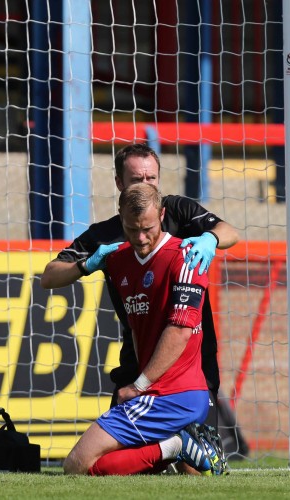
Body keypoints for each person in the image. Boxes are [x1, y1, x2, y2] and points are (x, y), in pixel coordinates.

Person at [40, 144, 239, 450]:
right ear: (119, 183)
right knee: (115, 461)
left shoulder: (177, 210)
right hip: (138, 353)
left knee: (198, 463)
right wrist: (86, 264)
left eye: (152, 178)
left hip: (191, 355)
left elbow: (229, 231)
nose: (146, 185)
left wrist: (210, 239)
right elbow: (50, 275)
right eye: (137, 179)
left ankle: (182, 451)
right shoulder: (105, 234)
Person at [62, 183, 223, 475]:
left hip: (174, 394)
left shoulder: (187, 256)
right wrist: (86, 265)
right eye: (131, 229)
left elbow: (180, 331)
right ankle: (175, 447)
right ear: (120, 216)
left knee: (75, 464)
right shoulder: (119, 260)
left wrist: (139, 386)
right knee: (96, 469)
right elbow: (137, 328)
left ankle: (178, 445)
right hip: (153, 392)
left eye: (147, 228)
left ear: (162, 215)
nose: (140, 238)